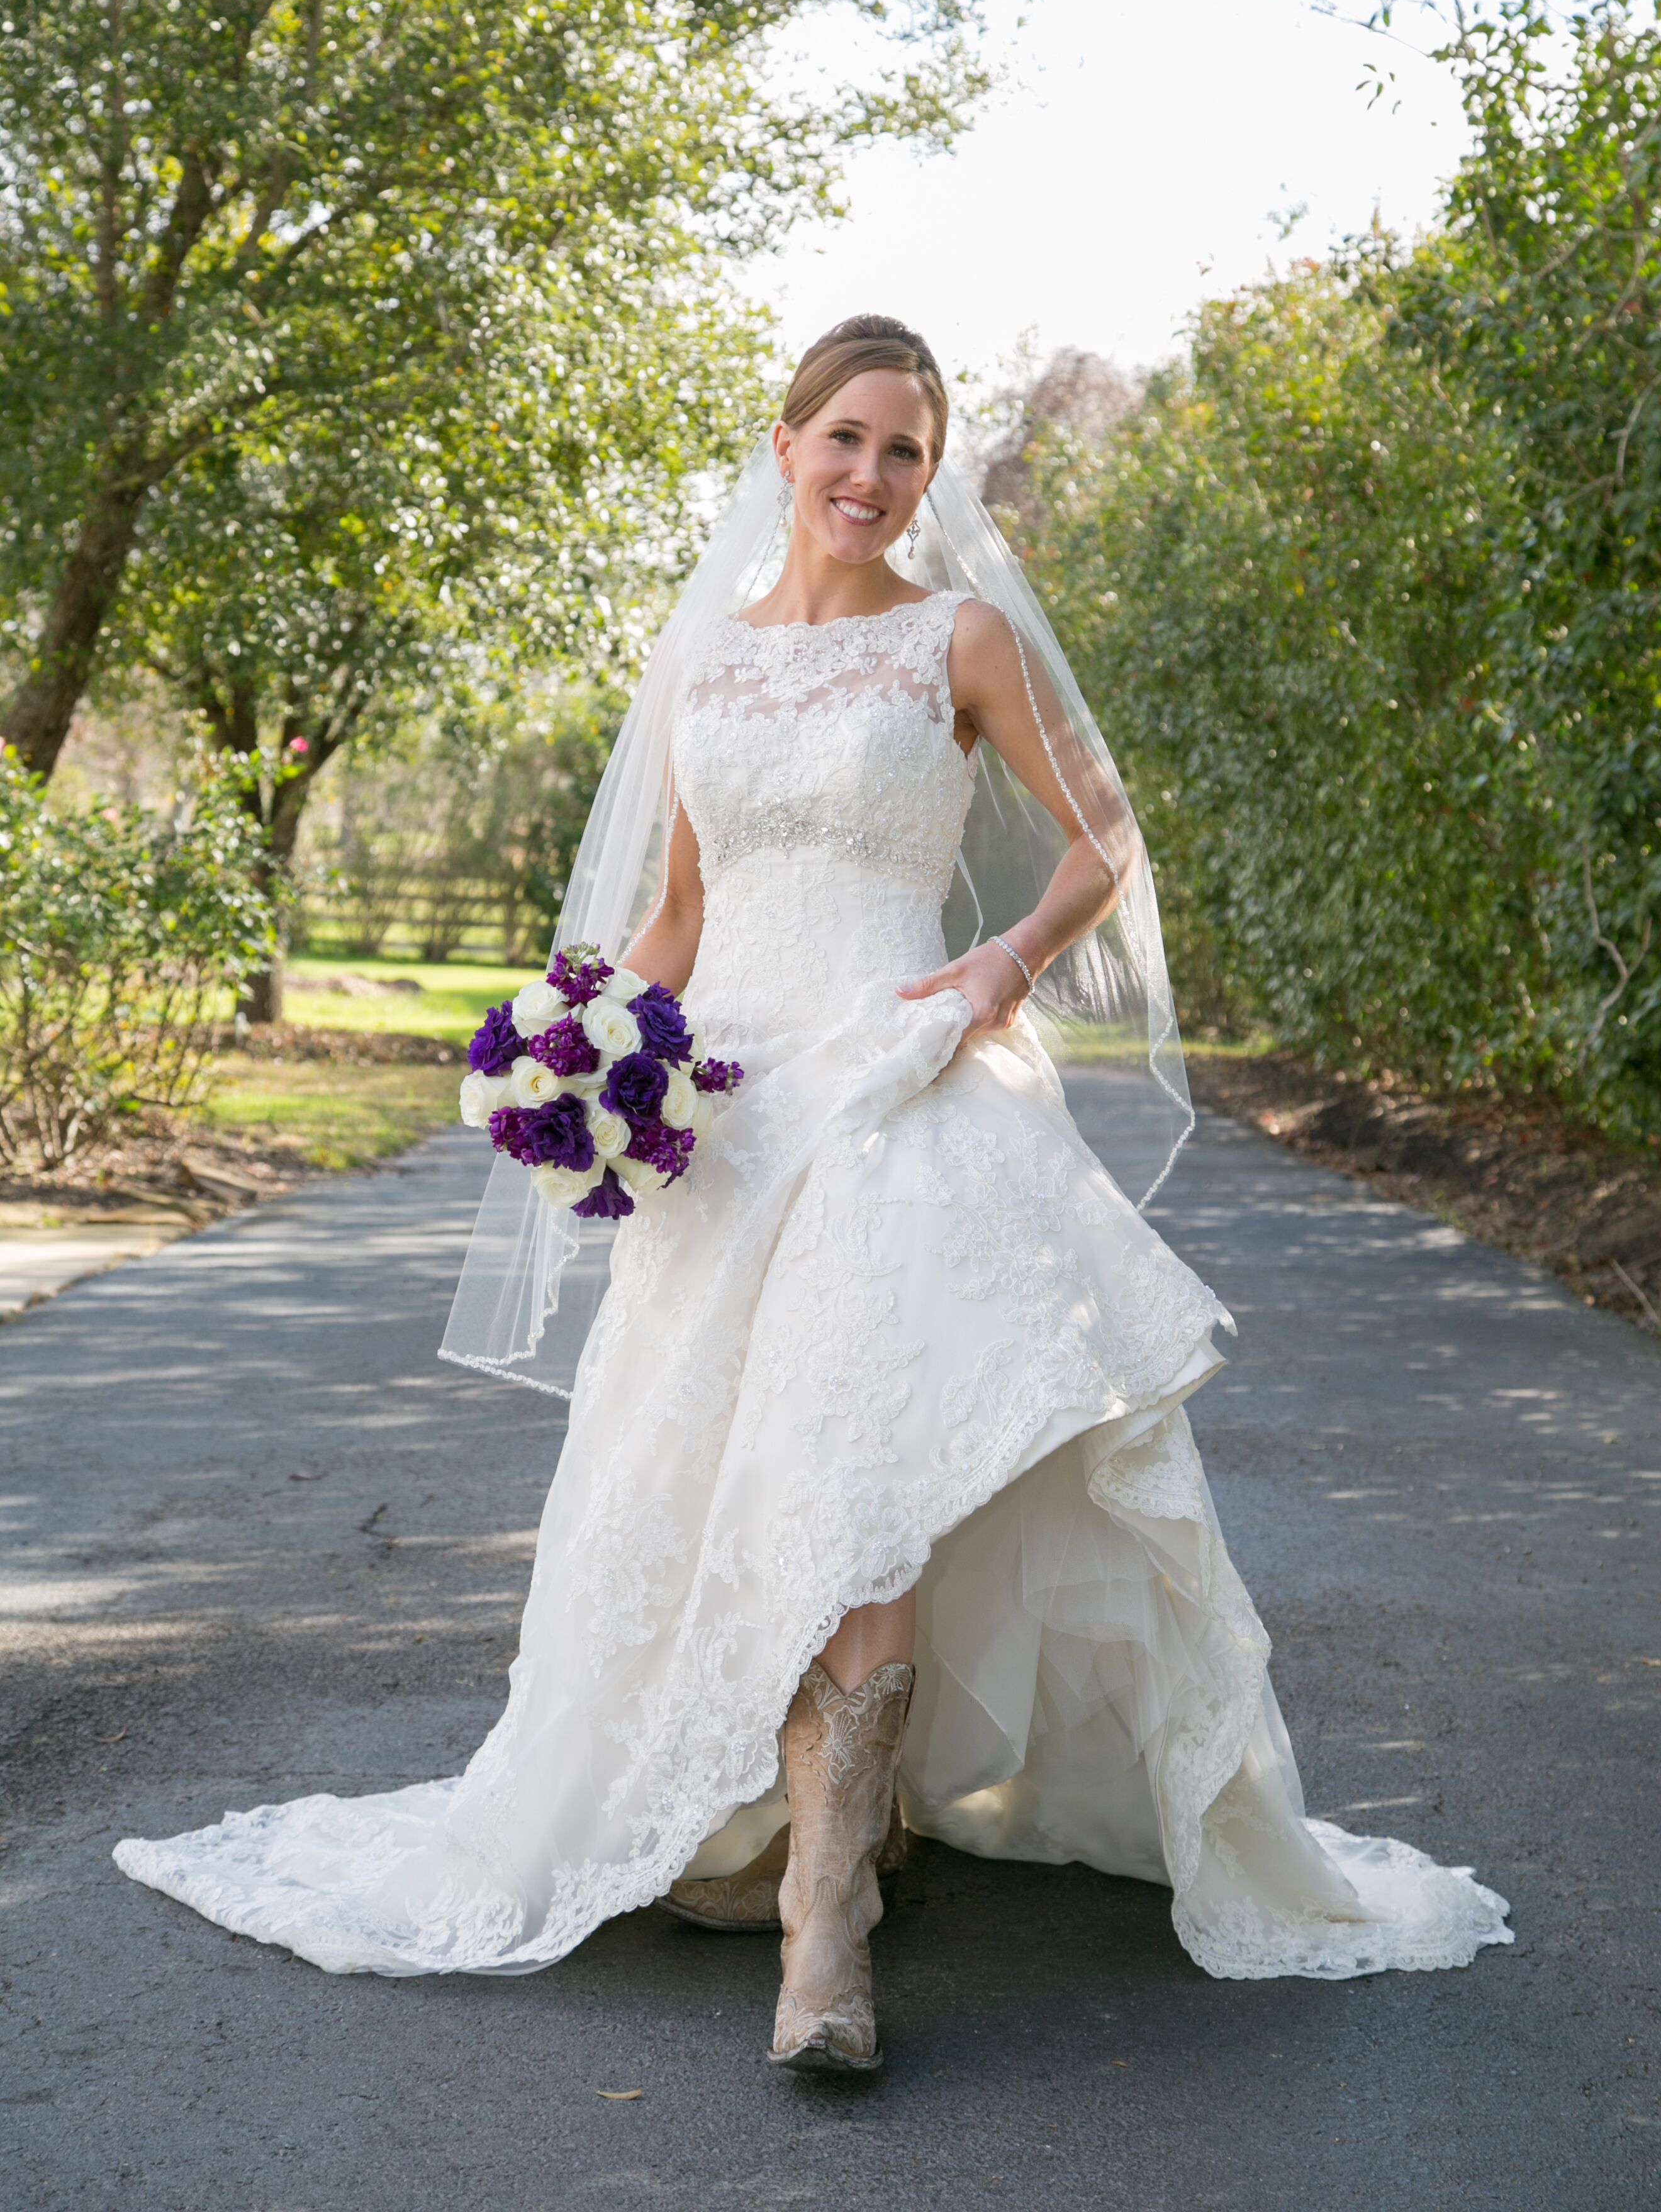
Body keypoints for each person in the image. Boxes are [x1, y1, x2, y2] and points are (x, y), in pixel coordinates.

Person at [116, 315, 1511, 2072]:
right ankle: (774, 1822)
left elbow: (1105, 838)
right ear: (784, 447)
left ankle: (826, 1932)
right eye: (844, 439)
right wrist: (581, 1031)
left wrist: (1000, 970)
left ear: (933, 478)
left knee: (864, 1454)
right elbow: (683, 920)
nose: (869, 476)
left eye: (906, 451)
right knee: (708, 1469)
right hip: (734, 1104)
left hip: (911, 1077)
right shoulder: (705, 665)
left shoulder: (964, 638)